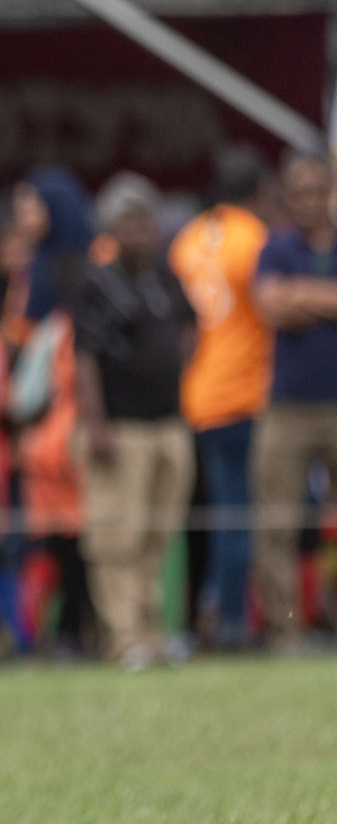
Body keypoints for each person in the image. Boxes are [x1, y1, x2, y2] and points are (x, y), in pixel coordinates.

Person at [72, 173, 197, 668]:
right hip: (119, 429)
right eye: (129, 220)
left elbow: (190, 328)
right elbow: (84, 358)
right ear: (110, 229)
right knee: (116, 537)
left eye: (147, 218)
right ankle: (123, 637)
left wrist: (175, 375)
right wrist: (96, 424)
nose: (140, 229)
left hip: (167, 424)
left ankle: (150, 631)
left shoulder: (167, 279)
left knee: (156, 536)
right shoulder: (97, 284)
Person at [169, 146, 274, 649]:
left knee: (207, 517)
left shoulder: (187, 239)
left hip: (195, 394)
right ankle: (231, 623)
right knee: (239, 516)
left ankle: (204, 614)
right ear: (259, 192)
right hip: (242, 392)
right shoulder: (255, 238)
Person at [8, 168, 96, 654]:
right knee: (57, 535)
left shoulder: (72, 269)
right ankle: (61, 631)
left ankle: (73, 629)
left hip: (68, 418)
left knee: (74, 533)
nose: (23, 217)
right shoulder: (32, 264)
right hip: (42, 426)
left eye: (31, 206)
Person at [251, 152, 337, 650]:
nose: (308, 200)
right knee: (276, 524)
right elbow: (269, 307)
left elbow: (286, 302)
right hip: (286, 406)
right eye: (298, 192)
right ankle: (285, 630)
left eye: (316, 190)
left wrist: (300, 294)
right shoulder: (274, 248)